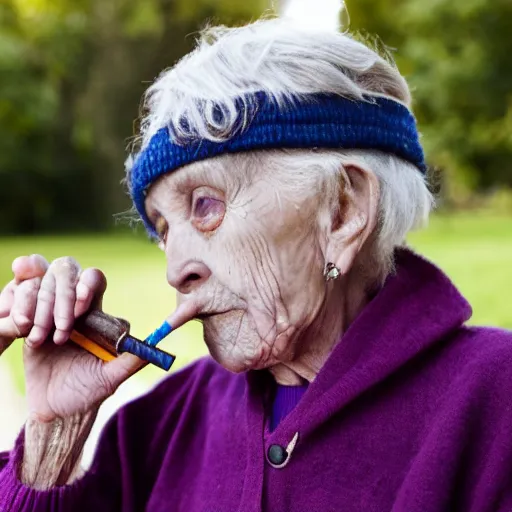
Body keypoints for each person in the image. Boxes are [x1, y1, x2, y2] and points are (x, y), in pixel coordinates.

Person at [1, 17, 511, 512]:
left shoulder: (494, 400)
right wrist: (52, 439)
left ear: (342, 209)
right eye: (162, 231)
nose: (176, 270)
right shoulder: (163, 422)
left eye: (205, 205)